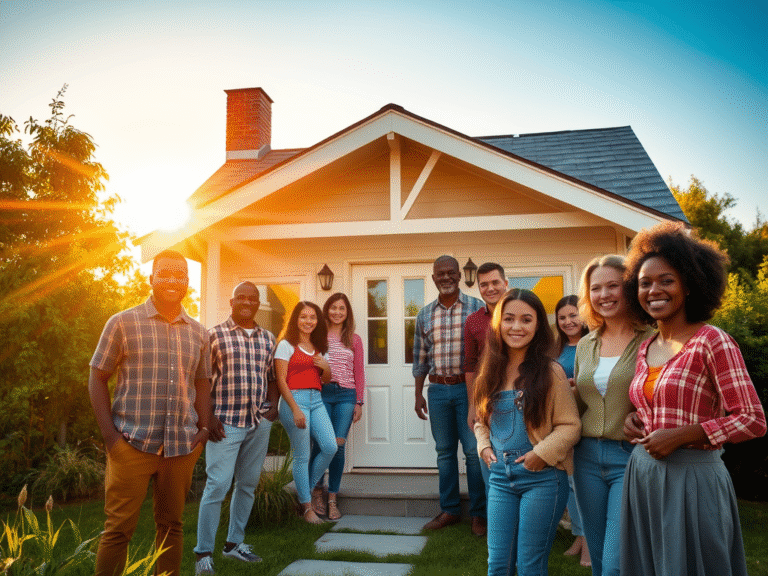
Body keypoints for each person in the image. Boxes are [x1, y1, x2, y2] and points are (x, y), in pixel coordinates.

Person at [620, 222, 766, 576]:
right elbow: (653, 402)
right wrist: (635, 419)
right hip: (643, 476)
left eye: (666, 280)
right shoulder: (645, 347)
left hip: (694, 483)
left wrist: (684, 434)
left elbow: (752, 419)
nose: (654, 290)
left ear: (689, 283)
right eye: (644, 283)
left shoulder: (712, 341)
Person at [89, 249, 211, 576]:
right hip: (130, 444)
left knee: (171, 525)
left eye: (180, 274)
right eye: (165, 273)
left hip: (181, 447)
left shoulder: (199, 333)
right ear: (152, 278)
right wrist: (110, 437)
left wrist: (202, 432)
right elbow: (98, 376)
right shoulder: (122, 323)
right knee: (118, 530)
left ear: (188, 282)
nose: (172, 280)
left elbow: (202, 383)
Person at [474, 289, 581, 576]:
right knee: (498, 565)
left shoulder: (551, 371)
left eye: (526, 320)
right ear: (498, 323)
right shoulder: (490, 370)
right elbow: (480, 420)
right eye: (509, 319)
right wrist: (484, 446)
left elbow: (570, 425)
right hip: (500, 479)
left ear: (537, 326)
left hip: (543, 479)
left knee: (529, 566)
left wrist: (541, 454)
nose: (517, 327)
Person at [572, 255, 654, 576]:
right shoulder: (585, 345)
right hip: (586, 458)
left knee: (616, 560)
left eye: (613, 286)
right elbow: (579, 401)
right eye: (595, 288)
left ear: (629, 289)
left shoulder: (651, 340)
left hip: (630, 457)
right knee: (598, 555)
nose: (603, 295)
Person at [194, 282, 279, 575]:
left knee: (247, 485)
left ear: (258, 304)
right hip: (224, 423)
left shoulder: (268, 339)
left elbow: (272, 377)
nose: (246, 302)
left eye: (252, 299)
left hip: (257, 422)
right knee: (217, 485)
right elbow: (201, 380)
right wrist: (208, 417)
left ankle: (234, 545)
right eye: (241, 297)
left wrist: (273, 406)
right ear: (231, 301)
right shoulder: (213, 335)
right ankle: (203, 553)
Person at [413, 255, 487, 536]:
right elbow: (420, 358)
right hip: (438, 391)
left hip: (469, 390)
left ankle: (478, 515)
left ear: (458, 275)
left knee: (472, 452)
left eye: (450, 272)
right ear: (433, 278)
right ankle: (450, 510)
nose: (446, 277)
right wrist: (418, 394)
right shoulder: (424, 315)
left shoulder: (476, 308)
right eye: (440, 273)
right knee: (444, 453)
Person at [275, 301, 337, 524]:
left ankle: (306, 491)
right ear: (296, 319)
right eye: (303, 317)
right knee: (302, 455)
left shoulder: (319, 346)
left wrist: (327, 367)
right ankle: (307, 507)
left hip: (317, 400)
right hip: (296, 400)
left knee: (330, 446)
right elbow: (281, 379)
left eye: (312, 317)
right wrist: (294, 409)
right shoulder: (286, 345)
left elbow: (325, 380)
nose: (308, 321)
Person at [309, 293, 366, 520]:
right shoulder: (317, 337)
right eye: (333, 308)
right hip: (321, 394)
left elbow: (359, 372)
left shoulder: (354, 339)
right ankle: (316, 491)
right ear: (327, 310)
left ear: (347, 312)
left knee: (338, 446)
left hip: (345, 396)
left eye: (342, 309)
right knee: (321, 444)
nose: (337, 312)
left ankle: (332, 498)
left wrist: (359, 401)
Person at [553, 295, 591, 567]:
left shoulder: (592, 344)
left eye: (573, 315)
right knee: (569, 484)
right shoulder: (555, 349)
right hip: (561, 424)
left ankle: (589, 542)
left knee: (583, 485)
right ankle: (579, 536)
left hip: (588, 421)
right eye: (562, 317)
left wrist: (578, 383)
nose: (568, 321)